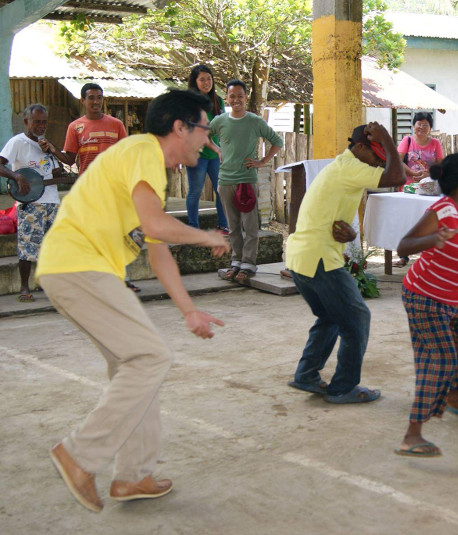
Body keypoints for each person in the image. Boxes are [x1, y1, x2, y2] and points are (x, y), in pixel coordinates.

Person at [36, 89, 230, 512]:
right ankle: (79, 454)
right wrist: (207, 235)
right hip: (78, 266)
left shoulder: (146, 168)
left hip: (80, 269)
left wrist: (189, 310)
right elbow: (156, 224)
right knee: (150, 358)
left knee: (138, 369)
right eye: (204, 130)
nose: (207, 140)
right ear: (180, 128)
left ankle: (132, 476)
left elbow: (158, 249)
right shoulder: (143, 148)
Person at [286, 123, 404, 403]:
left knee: (329, 317)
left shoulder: (345, 167)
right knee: (356, 318)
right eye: (375, 153)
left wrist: (350, 234)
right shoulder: (349, 167)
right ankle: (343, 388)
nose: (379, 160)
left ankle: (306, 376)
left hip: (303, 255)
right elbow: (397, 176)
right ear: (359, 147)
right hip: (319, 258)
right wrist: (388, 138)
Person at [394, 152, 458, 458]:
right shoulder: (443, 211)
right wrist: (434, 238)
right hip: (425, 298)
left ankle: (454, 397)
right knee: (441, 360)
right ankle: (412, 435)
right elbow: (404, 246)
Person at [61, 83, 140, 292]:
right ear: (83, 101)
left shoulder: (116, 125)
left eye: (99, 97)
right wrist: (51, 150)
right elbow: (69, 158)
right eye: (91, 98)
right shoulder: (75, 127)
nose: (96, 102)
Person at [210, 79, 283, 283]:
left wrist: (262, 162)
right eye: (232, 96)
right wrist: (217, 150)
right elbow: (203, 135)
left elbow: (277, 142)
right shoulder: (220, 121)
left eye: (240, 96)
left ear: (245, 97)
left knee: (249, 225)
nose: (236, 100)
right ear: (227, 98)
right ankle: (236, 262)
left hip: (246, 180)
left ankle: (249, 264)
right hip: (225, 180)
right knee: (233, 226)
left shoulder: (255, 121)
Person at [0, 103, 72, 302]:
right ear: (26, 122)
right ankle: (24, 287)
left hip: (52, 202)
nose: (41, 126)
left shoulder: (46, 144)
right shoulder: (17, 142)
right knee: (27, 247)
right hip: (31, 203)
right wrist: (16, 176)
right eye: (37, 122)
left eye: (44, 122)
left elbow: (58, 170)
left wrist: (53, 153)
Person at [395, 112, 444, 268]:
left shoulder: (435, 143)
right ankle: (403, 256)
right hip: (408, 187)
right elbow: (397, 160)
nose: (422, 127)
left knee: (428, 221)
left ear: (430, 128)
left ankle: (428, 256)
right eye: (419, 124)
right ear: (414, 125)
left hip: (428, 189)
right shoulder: (407, 140)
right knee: (405, 220)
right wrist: (412, 173)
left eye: (426, 125)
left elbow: (440, 164)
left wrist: (427, 173)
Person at [186, 65, 228, 234]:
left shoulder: (218, 101)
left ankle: (223, 225)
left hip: (216, 154)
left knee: (221, 190)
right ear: (195, 82)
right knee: (195, 191)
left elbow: (224, 125)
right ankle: (193, 227)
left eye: (209, 79)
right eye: (202, 79)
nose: (206, 82)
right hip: (197, 154)